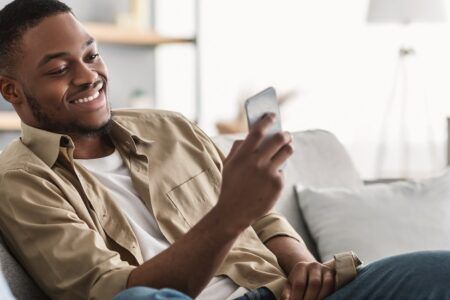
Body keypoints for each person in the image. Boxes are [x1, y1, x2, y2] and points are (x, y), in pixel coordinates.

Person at [0, 1, 449, 300]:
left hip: (278, 292)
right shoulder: (21, 181)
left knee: (437, 271)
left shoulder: (169, 127)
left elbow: (261, 215)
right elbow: (111, 290)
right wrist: (228, 215)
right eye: (60, 68)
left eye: (92, 55)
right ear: (12, 91)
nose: (88, 76)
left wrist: (302, 266)